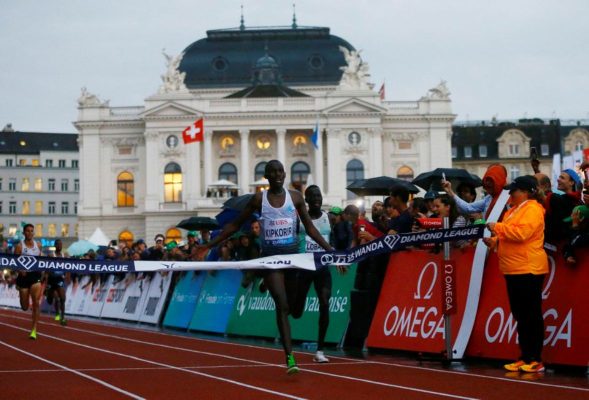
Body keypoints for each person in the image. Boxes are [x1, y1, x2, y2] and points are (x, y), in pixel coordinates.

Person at [198, 160, 333, 374]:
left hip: (292, 259)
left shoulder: (296, 198)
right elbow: (233, 226)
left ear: (285, 174)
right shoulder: (259, 199)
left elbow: (310, 228)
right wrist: (208, 245)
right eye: (273, 172)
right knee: (282, 305)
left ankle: (291, 317)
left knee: (295, 311)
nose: (278, 175)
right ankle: (290, 358)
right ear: (267, 177)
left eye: (280, 171)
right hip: (270, 259)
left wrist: (329, 249)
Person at [484, 175, 548, 373]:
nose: (511, 193)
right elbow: (509, 236)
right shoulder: (512, 211)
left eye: (515, 190)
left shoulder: (533, 209)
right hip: (513, 268)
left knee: (531, 315)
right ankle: (525, 356)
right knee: (521, 315)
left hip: (529, 268)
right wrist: (495, 242)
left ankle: (535, 358)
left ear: (526, 192)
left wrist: (497, 228)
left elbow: (521, 234)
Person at [290, 185, 346, 364]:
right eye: (313, 196)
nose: (317, 199)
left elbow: (334, 242)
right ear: (306, 200)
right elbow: (290, 242)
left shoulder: (329, 218)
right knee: (297, 312)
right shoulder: (298, 219)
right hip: (304, 268)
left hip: (322, 268)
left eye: (319, 196)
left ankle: (320, 350)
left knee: (324, 302)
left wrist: (338, 259)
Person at [14, 224, 43, 339]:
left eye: (32, 231)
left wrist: (42, 272)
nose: (30, 233)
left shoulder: (38, 245)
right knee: (25, 306)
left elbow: (40, 260)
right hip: (23, 277)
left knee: (36, 302)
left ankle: (34, 330)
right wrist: (20, 270)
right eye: (27, 231)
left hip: (35, 275)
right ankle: (21, 295)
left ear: (34, 233)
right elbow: (13, 263)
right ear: (24, 233)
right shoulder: (19, 246)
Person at [47, 239, 68, 325]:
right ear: (55, 245)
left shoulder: (65, 255)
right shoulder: (51, 255)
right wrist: (45, 279)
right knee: (51, 300)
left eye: (61, 244)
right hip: (51, 280)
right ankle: (56, 312)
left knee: (62, 299)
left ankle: (62, 318)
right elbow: (46, 268)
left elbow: (70, 266)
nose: (60, 246)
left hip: (60, 279)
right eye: (58, 244)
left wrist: (67, 275)